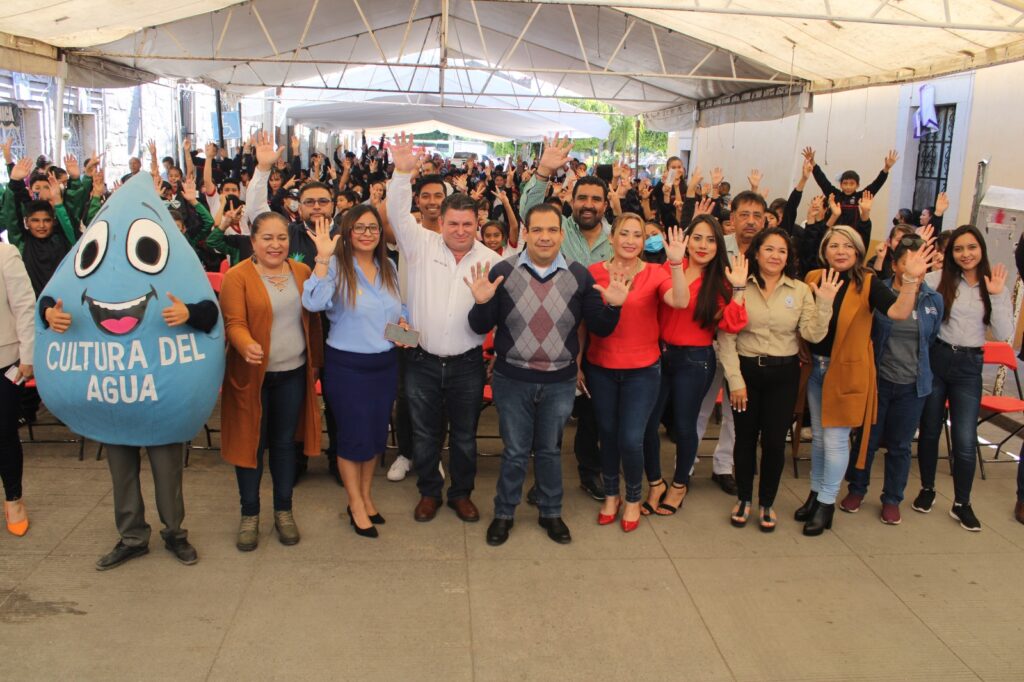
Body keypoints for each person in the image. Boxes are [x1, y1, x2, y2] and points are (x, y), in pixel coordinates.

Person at [466, 203, 623, 545]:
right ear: (525, 233)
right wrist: (480, 303)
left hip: (559, 381)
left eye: (552, 230)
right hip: (512, 379)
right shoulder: (503, 271)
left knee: (551, 451)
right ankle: (504, 514)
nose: (544, 236)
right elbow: (480, 326)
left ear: (562, 235)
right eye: (537, 229)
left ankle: (551, 513)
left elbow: (600, 327)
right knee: (515, 451)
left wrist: (613, 306)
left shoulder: (580, 275)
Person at [386, 132, 494, 523]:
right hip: (421, 359)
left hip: (467, 363)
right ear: (441, 221)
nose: (460, 230)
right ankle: (429, 491)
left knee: (464, 437)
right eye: (453, 223)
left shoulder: (491, 260)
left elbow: (492, 315)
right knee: (425, 434)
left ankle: (461, 494)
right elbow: (396, 214)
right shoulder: (420, 244)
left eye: (468, 223)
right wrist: (401, 173)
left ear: (477, 223)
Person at [798, 225, 931, 536]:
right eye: (834, 245)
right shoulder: (813, 278)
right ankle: (815, 494)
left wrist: (910, 281)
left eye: (848, 246)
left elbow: (898, 311)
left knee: (835, 440)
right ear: (824, 250)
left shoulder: (867, 282)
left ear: (858, 251)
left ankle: (827, 503)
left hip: (845, 372)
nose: (841, 251)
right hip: (816, 369)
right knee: (818, 437)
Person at [219, 211, 323, 551]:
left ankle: (284, 510)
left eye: (281, 238)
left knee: (282, 446)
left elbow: (315, 318)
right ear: (253, 241)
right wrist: (245, 342)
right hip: (251, 379)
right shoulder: (238, 276)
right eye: (268, 238)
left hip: (292, 374)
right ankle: (249, 514)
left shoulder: (302, 272)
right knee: (251, 445)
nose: (276, 245)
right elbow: (233, 322)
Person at [720, 228, 836, 531]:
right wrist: (735, 380)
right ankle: (744, 498)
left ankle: (767, 502)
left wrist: (825, 303)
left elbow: (812, 334)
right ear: (756, 253)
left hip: (784, 374)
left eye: (781, 251)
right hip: (745, 370)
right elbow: (727, 336)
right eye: (769, 249)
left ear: (789, 257)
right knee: (744, 440)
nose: (775, 256)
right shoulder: (740, 284)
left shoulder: (799, 290)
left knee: (774, 442)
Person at [303, 207, 407, 539]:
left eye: (372, 227)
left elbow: (398, 307)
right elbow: (312, 302)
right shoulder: (335, 266)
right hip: (347, 367)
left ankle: (366, 497)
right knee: (352, 438)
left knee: (375, 437)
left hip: (385, 365)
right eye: (359, 227)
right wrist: (321, 258)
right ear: (347, 233)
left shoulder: (387, 266)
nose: (366, 233)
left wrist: (404, 325)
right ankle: (355, 503)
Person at [519, 135, 612, 501]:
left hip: (602, 337)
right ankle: (543, 480)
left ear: (606, 205)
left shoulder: (615, 237)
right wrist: (543, 171)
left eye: (596, 199)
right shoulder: (557, 231)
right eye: (582, 198)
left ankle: (589, 472)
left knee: (591, 411)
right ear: (572, 201)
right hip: (553, 335)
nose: (588, 205)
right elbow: (530, 208)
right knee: (551, 417)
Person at [584, 213, 690, 532]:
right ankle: (611, 495)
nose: (631, 240)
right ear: (611, 238)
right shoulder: (593, 273)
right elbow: (583, 324)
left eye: (638, 235)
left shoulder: (656, 273)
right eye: (624, 233)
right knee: (607, 435)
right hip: (600, 367)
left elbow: (681, 302)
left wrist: (675, 264)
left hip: (642, 370)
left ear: (644, 242)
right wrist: (577, 362)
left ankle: (633, 496)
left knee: (631, 438)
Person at [642, 215, 749, 516]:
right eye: (698, 238)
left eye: (711, 239)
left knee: (684, 425)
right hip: (659, 355)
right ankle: (655, 483)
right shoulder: (666, 268)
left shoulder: (720, 281)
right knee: (649, 424)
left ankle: (679, 485)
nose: (703, 245)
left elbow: (732, 324)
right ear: (686, 240)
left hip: (696, 359)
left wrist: (738, 290)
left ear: (719, 244)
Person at [914, 225, 1012, 531]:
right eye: (958, 249)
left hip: (970, 365)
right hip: (937, 358)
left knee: (965, 439)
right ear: (950, 253)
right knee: (929, 430)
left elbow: (1006, 334)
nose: (965, 254)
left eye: (971, 247)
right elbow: (911, 298)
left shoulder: (993, 286)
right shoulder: (936, 280)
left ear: (981, 249)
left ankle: (962, 503)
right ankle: (927, 489)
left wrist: (995, 297)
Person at [840, 234, 943, 524]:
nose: (916, 270)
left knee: (900, 445)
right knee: (866, 440)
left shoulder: (933, 300)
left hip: (913, 386)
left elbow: (931, 340)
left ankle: (892, 498)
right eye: (909, 263)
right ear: (896, 265)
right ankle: (857, 490)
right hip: (878, 381)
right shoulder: (878, 291)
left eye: (921, 264)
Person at [693, 190, 769, 496]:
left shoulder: (768, 251)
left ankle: (723, 466)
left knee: (736, 413)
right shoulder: (716, 247)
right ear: (732, 218)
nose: (750, 222)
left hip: (748, 345)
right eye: (744, 215)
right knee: (700, 408)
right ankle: (684, 468)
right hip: (710, 338)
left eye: (757, 216)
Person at [0, 244, 34, 536]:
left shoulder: (5, 254)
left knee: (4, 433)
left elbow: (24, 306)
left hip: (5, 360)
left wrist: (28, 356)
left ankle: (14, 498)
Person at [806, 146, 897, 242]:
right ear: (841, 185)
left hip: (851, 238)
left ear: (857, 185)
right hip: (833, 236)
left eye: (852, 184)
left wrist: (886, 169)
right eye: (845, 183)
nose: (848, 187)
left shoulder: (861, 197)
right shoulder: (834, 195)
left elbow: (876, 185)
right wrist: (813, 163)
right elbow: (822, 180)